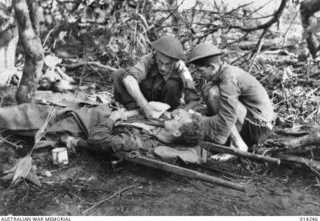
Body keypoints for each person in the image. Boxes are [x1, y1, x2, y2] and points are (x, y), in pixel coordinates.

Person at [188, 43, 274, 161]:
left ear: (212, 67)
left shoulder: (229, 79)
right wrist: (205, 111)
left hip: (259, 127)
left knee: (214, 93)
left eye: (200, 71)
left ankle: (237, 144)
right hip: (249, 119)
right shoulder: (222, 73)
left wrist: (203, 120)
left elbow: (227, 115)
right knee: (208, 89)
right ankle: (226, 137)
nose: (197, 74)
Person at [113, 36, 199, 119]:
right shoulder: (148, 59)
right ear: (156, 55)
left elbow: (194, 99)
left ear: (175, 61)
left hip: (165, 105)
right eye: (160, 62)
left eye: (168, 64)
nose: (163, 68)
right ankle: (134, 110)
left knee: (172, 84)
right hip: (143, 101)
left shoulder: (181, 68)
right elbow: (129, 80)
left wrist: (182, 113)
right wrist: (144, 105)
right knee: (119, 74)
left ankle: (162, 114)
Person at [69, 107, 204, 156]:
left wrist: (112, 118)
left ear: (176, 133)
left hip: (93, 123)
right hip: (107, 116)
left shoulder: (142, 143)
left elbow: (97, 139)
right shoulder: (161, 128)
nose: (174, 116)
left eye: (178, 120)